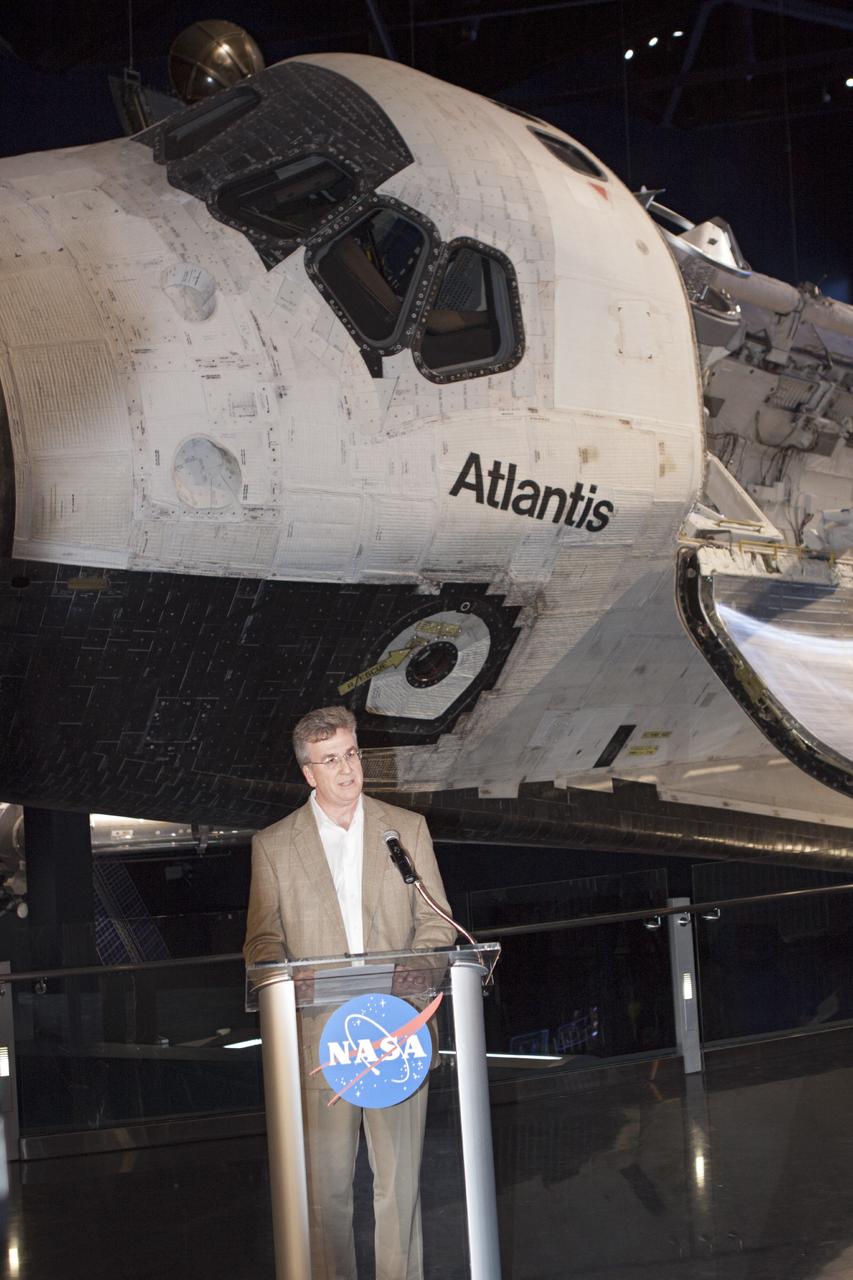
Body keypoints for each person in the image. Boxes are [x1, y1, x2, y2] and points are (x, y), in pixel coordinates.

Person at [244, 705, 456, 1280]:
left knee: (399, 1190)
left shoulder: (403, 830)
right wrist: (285, 980)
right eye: (330, 760)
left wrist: (422, 965)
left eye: (352, 754)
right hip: (320, 1043)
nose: (346, 769)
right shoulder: (273, 846)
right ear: (308, 773)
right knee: (326, 1197)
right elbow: (262, 944)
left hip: (400, 1033)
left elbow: (437, 923)